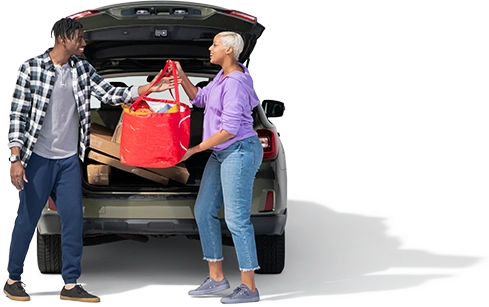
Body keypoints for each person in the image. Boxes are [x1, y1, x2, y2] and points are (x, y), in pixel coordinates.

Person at [4, 17, 176, 303]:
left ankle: (70, 284)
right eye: (79, 38)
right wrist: (15, 158)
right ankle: (12, 279)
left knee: (73, 221)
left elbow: (109, 94)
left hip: (69, 159)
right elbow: (18, 116)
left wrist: (145, 90)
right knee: (27, 220)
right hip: (38, 159)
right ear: (62, 39)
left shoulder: (81, 69)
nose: (83, 43)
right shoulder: (32, 68)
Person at [174, 31, 263, 304]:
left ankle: (249, 288)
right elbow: (199, 98)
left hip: (239, 151)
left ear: (228, 49)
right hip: (222, 153)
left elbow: (230, 129)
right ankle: (216, 279)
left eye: (214, 45)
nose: (209, 49)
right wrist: (180, 74)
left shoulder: (235, 82)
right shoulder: (222, 76)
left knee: (236, 219)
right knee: (204, 210)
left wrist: (194, 149)